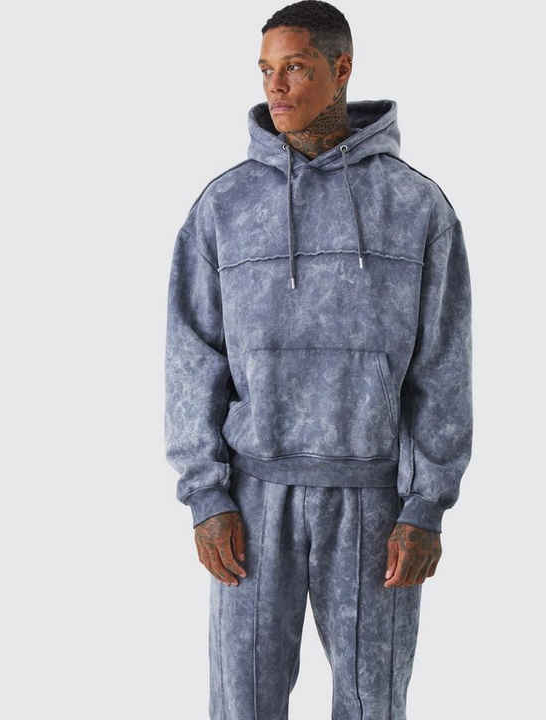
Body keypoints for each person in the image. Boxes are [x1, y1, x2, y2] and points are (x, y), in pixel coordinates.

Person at [164, 2, 473, 718]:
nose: (276, 87)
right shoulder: (224, 207)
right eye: (266, 70)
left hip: (376, 505)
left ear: (342, 70)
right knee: (243, 704)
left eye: (296, 68)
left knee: (372, 704)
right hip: (252, 501)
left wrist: (426, 506)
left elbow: (443, 365)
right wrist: (206, 496)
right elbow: (191, 358)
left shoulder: (417, 207)